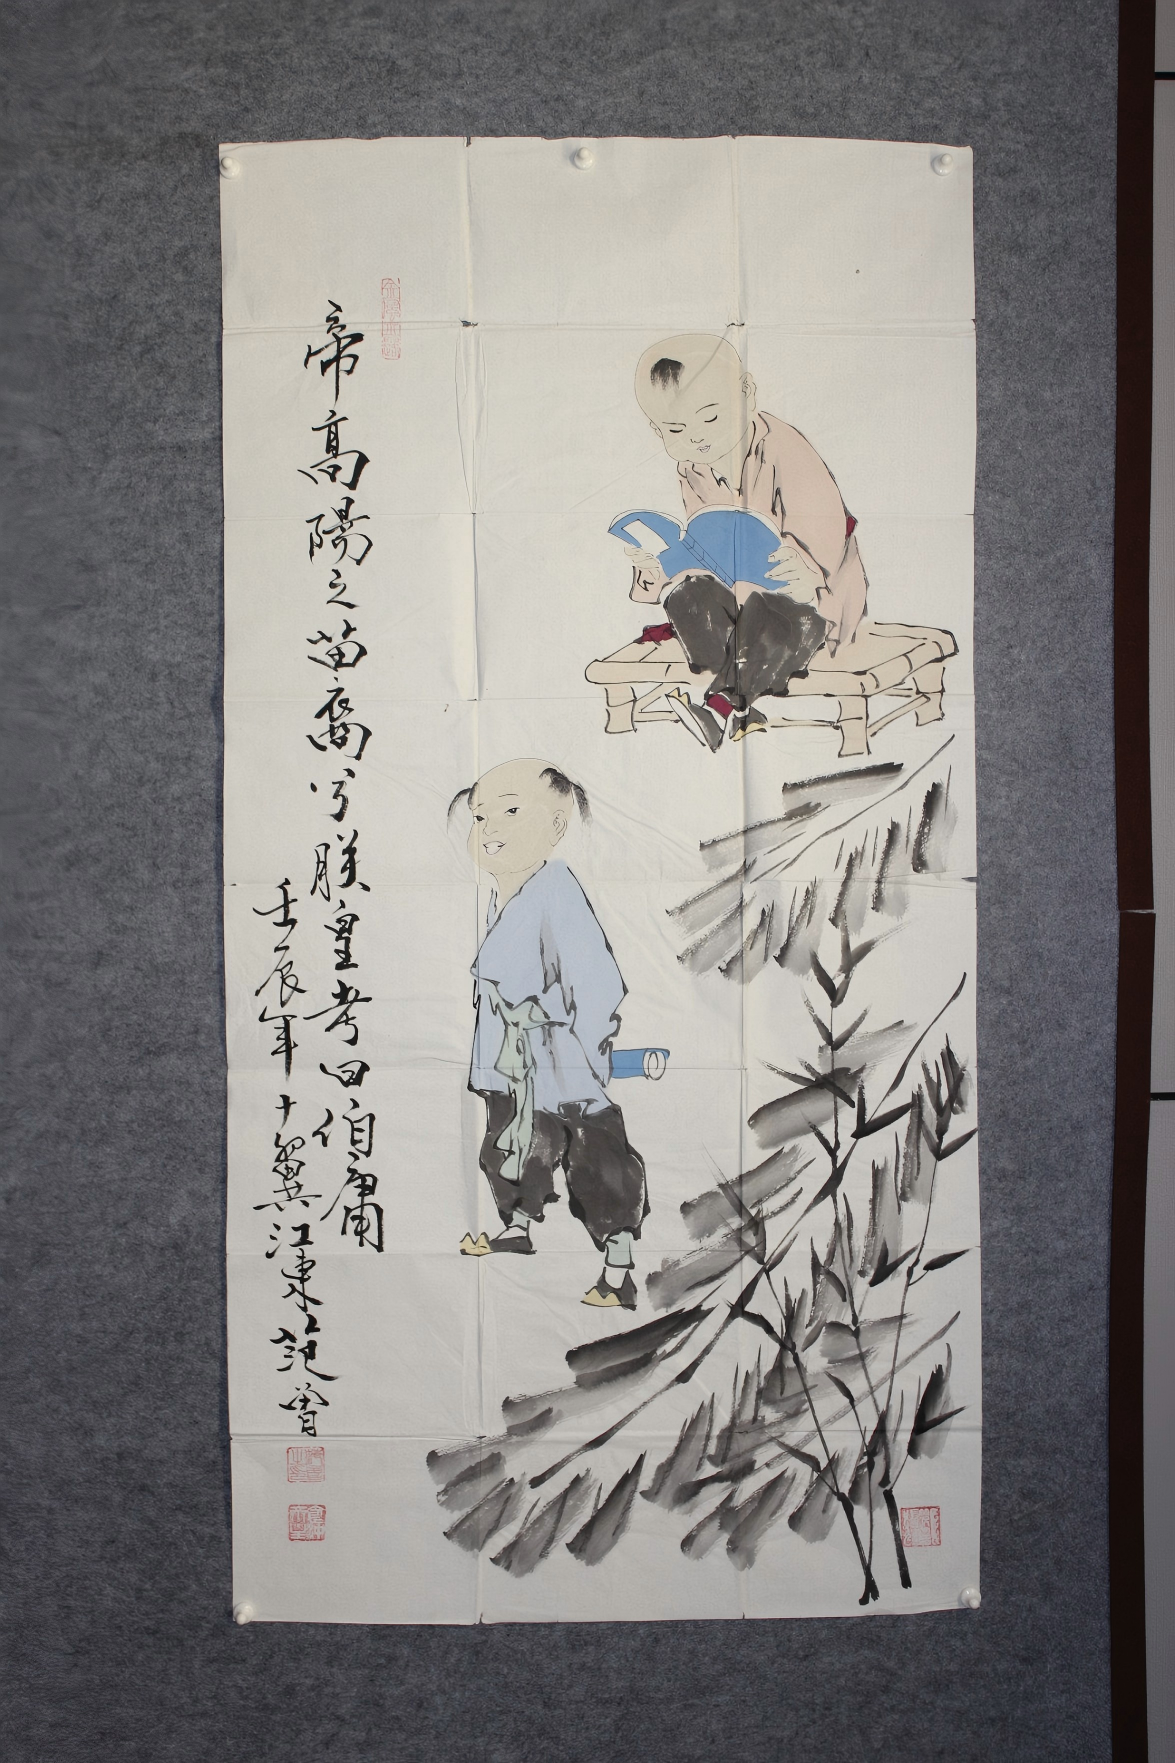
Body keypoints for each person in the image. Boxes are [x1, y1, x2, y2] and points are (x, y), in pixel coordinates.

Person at [451, 759, 649, 1309]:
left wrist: (590, 1052)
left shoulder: (557, 888)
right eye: (480, 817)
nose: (490, 828)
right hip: (509, 1063)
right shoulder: (501, 897)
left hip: (561, 1063)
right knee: (509, 1143)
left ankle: (618, 1270)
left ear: (556, 826)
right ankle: (517, 1227)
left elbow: (596, 982)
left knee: (594, 1157)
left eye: (511, 812)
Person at [627, 333, 869, 750]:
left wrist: (806, 572)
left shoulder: (786, 449)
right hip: (738, 599)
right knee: (686, 595)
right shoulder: (692, 468)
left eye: (710, 418)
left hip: (808, 601)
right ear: (656, 428)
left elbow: (825, 532)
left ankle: (720, 707)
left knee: (771, 615)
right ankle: (740, 698)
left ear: (747, 394)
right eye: (676, 429)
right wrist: (661, 571)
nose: (697, 438)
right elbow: (708, 544)